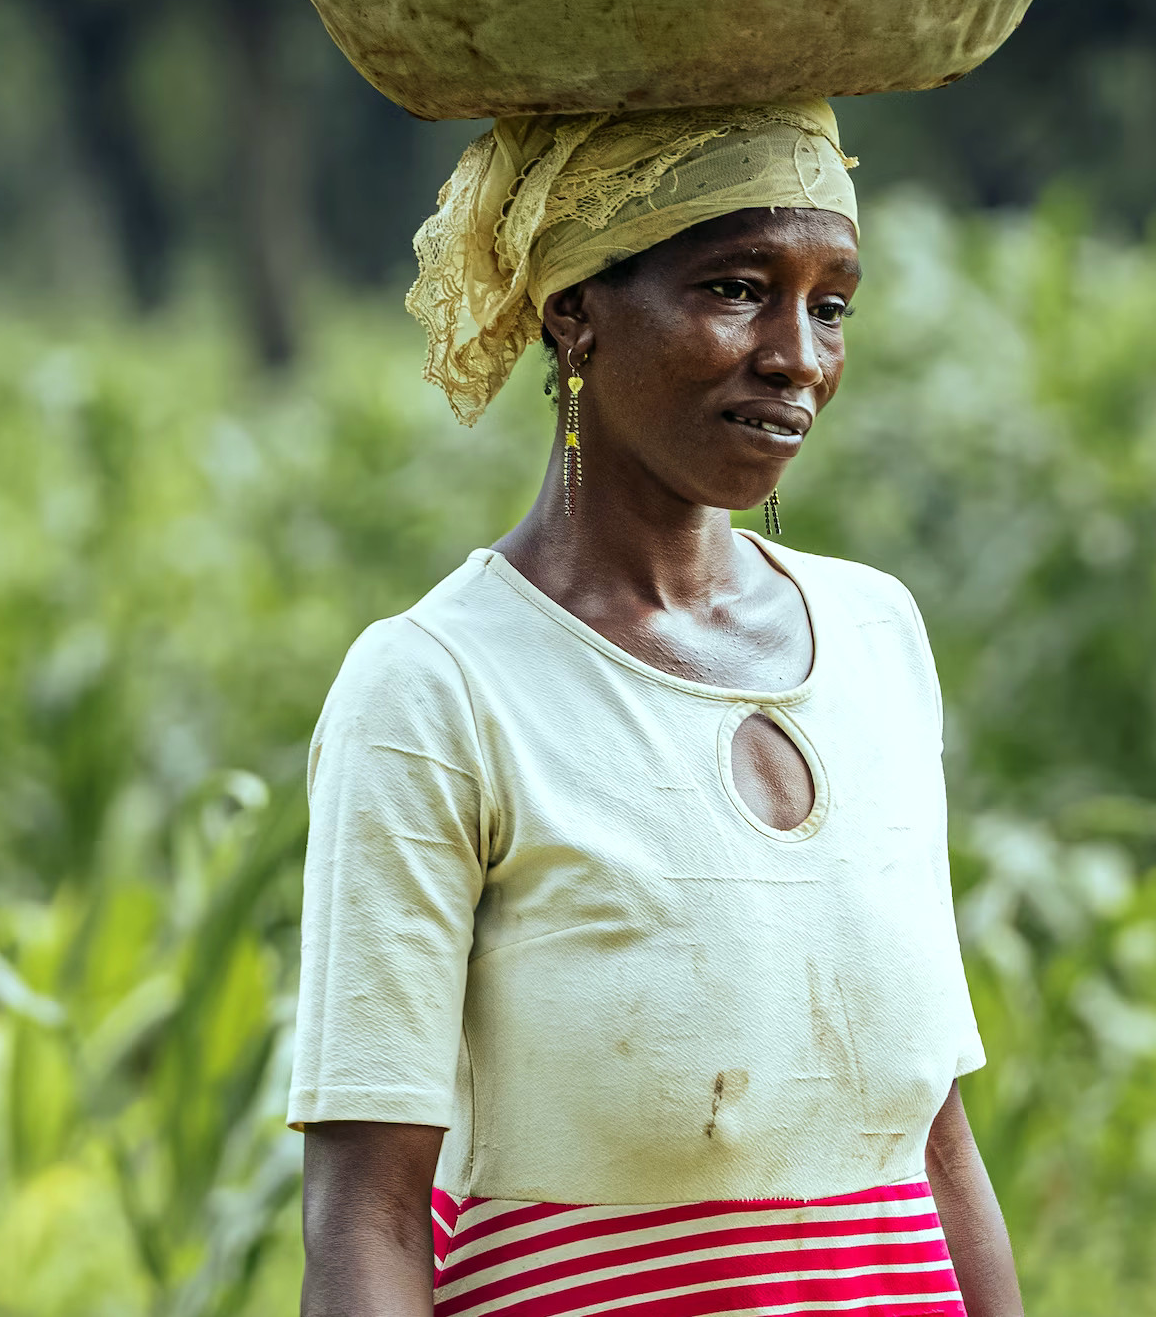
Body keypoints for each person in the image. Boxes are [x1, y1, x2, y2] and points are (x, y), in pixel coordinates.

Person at [292, 104, 1022, 1317]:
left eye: (829, 303)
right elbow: (365, 1216)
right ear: (572, 307)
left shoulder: (876, 638)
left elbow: (933, 1138)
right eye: (736, 288)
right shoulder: (436, 686)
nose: (796, 353)